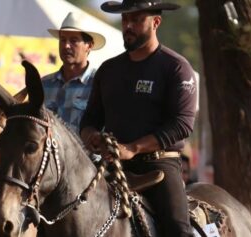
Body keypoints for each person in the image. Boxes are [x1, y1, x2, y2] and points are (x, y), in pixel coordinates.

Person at [80, 0, 197, 236]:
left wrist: (133, 148)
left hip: (159, 165)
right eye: (125, 20)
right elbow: (90, 118)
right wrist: (91, 136)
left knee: (177, 228)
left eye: (136, 19)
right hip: (112, 165)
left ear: (156, 22)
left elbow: (183, 124)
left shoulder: (175, 67)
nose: (128, 26)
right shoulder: (108, 70)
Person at [42, 11, 106, 133]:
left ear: (89, 46)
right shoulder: (44, 84)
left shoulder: (100, 84)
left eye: (74, 41)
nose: (66, 46)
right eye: (62, 40)